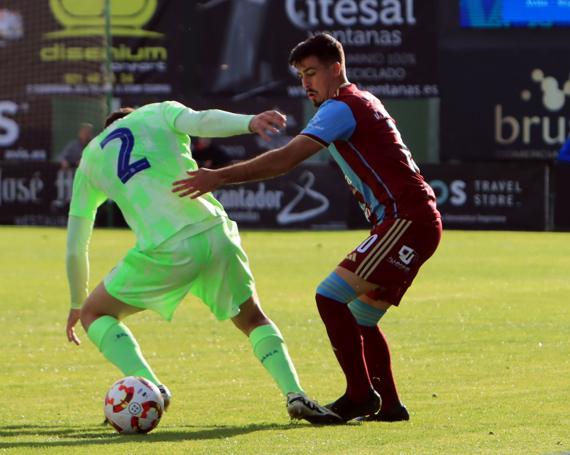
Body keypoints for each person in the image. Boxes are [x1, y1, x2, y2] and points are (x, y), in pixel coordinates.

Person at [173, 33, 442, 423]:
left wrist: (218, 177)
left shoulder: (341, 107)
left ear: (336, 69)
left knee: (329, 296)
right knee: (361, 317)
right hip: (411, 220)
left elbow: (285, 160)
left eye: (312, 73)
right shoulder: (362, 101)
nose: (306, 83)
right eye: (301, 75)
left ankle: (360, 395)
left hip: (405, 220)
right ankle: (390, 406)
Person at [64, 101, 341, 424]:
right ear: (133, 115)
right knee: (253, 319)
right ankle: (295, 394)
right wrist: (251, 121)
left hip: (166, 248)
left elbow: (75, 245)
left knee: (94, 312)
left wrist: (74, 301)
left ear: (108, 127)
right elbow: (203, 120)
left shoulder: (92, 158)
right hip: (215, 233)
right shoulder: (156, 113)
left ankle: (152, 388)